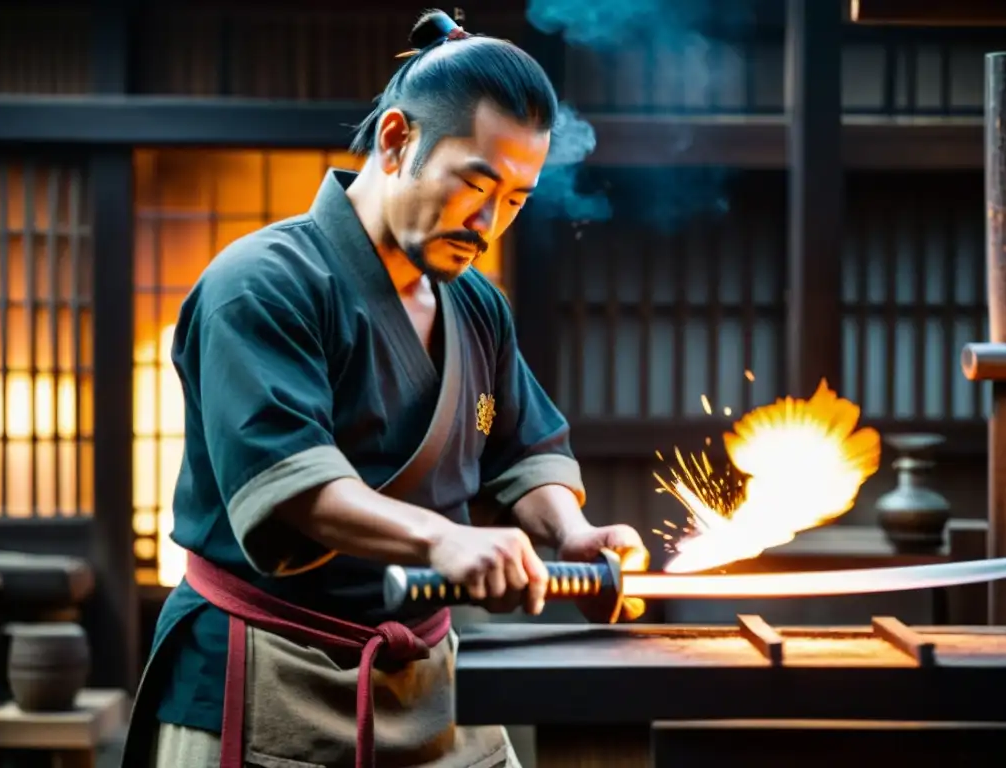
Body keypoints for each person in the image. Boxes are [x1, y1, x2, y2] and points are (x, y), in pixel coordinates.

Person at [121, 9, 649, 768]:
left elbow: (524, 451)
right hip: (267, 671)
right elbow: (293, 486)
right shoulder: (259, 284)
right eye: (476, 185)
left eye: (517, 200)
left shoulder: (477, 307)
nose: (490, 222)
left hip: (427, 682)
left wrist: (571, 533)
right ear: (398, 140)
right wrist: (446, 539)